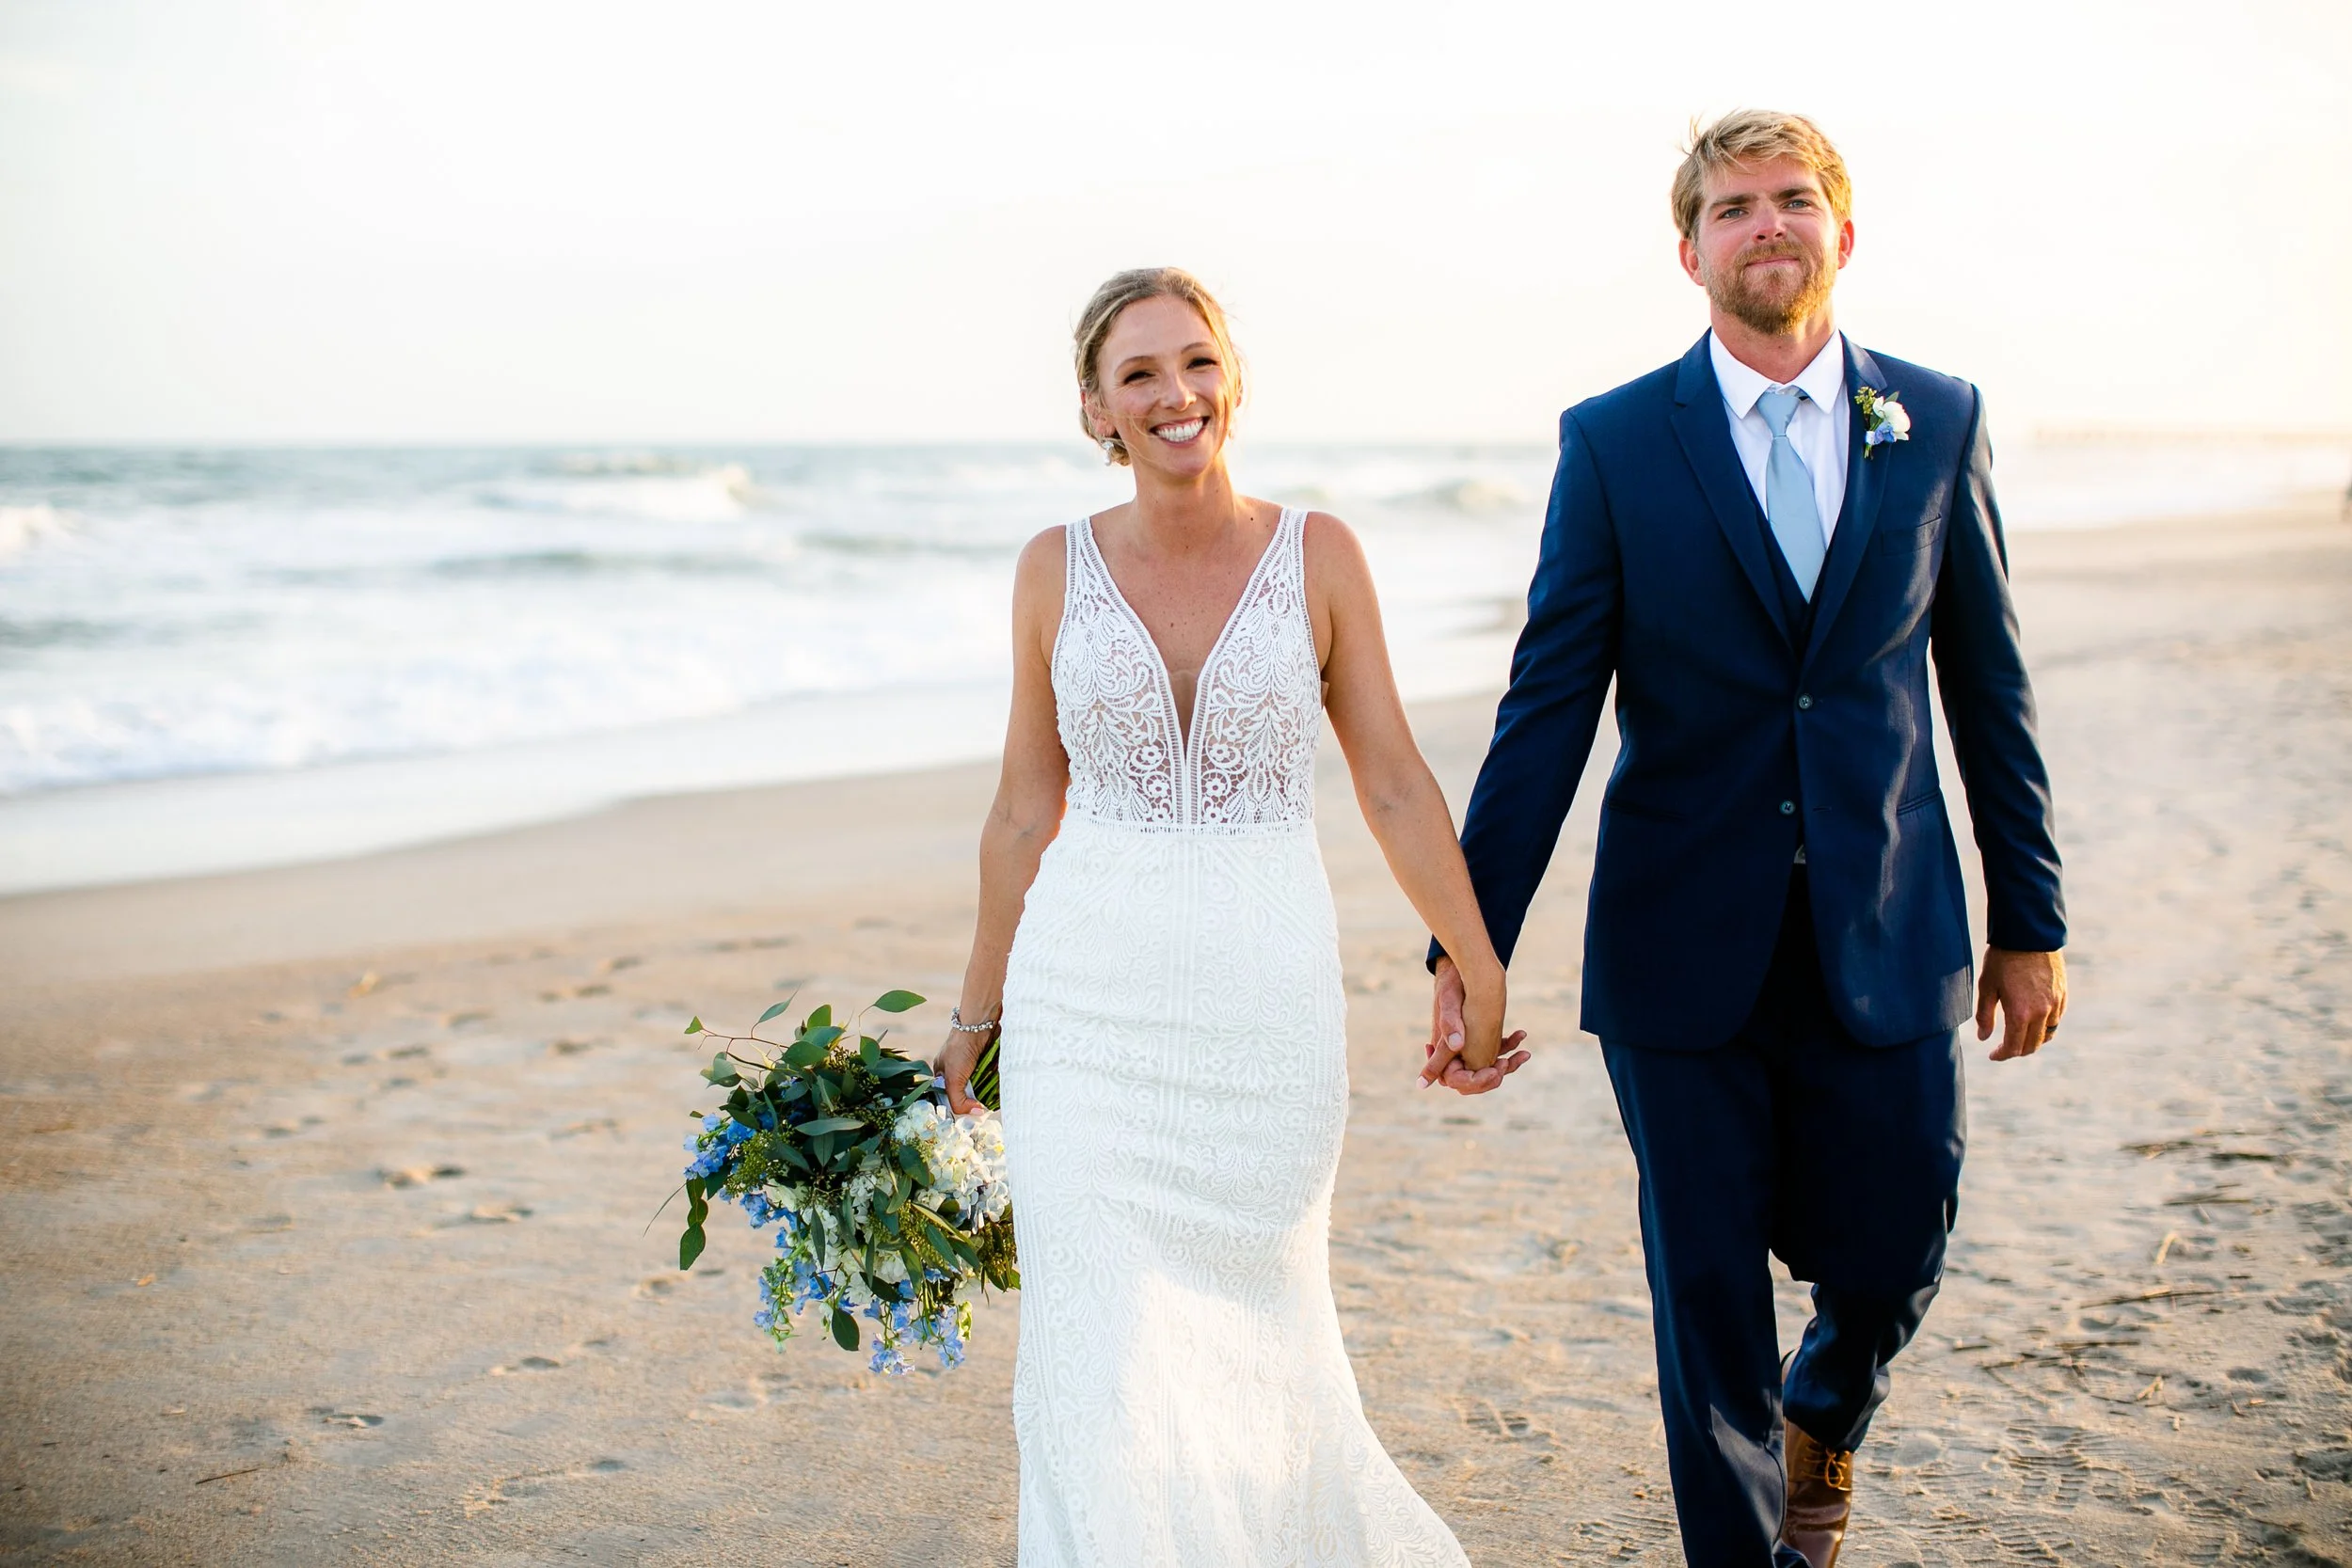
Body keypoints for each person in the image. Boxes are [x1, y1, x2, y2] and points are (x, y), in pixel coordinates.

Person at [1425, 111, 2069, 1566]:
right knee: (1705, 1286)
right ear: (1689, 247)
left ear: (1844, 231)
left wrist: (2030, 918)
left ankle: (1824, 1409)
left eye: (1793, 201)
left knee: (1902, 1238)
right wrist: (1470, 944)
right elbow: (1548, 710)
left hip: (1890, 926)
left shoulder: (1940, 417)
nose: (1766, 224)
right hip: (1679, 945)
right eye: (1733, 206)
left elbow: (1989, 685)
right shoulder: (1612, 442)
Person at [934, 267, 1530, 1567]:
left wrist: (1476, 964)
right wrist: (975, 1015)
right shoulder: (1053, 569)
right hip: (1085, 1010)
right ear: (1095, 407)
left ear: (1234, 380)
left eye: (1196, 363)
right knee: (1096, 1368)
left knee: (1272, 1341)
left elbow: (1389, 778)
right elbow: (1023, 812)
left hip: (1266, 1007)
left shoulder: (1319, 554)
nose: (1174, 394)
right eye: (1138, 373)